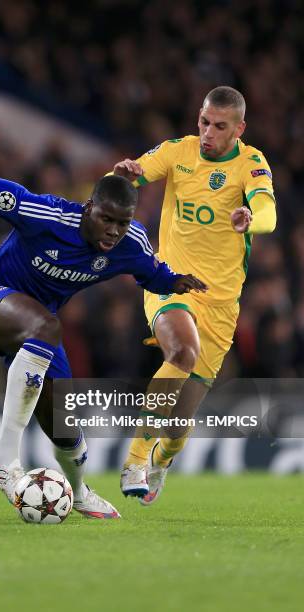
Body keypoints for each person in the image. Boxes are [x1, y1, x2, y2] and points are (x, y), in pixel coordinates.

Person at [0, 173, 206, 519]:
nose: (114, 231)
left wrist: (175, 281)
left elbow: (150, 271)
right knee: (46, 326)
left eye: (122, 222)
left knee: (65, 425)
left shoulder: (130, 244)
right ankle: (2, 461)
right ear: (89, 208)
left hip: (39, 330)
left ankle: (80, 491)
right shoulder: (47, 216)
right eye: (106, 219)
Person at [114, 86, 277, 504]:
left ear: (239, 128)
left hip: (221, 304)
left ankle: (162, 460)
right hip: (171, 282)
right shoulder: (179, 150)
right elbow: (138, 170)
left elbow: (269, 213)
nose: (208, 132)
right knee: (182, 352)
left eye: (220, 126)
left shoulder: (251, 163)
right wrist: (127, 174)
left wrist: (250, 216)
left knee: (179, 422)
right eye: (204, 121)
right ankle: (134, 459)